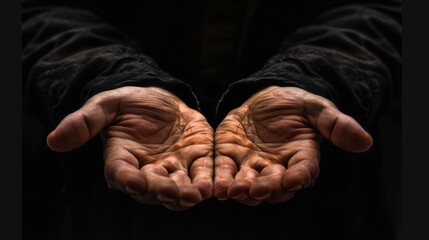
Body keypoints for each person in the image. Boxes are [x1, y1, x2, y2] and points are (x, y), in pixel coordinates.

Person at [22, 0, 401, 239]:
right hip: (104, 193)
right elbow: (35, 11)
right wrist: (111, 78)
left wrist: (310, 79)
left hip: (320, 200)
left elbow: (387, 12)